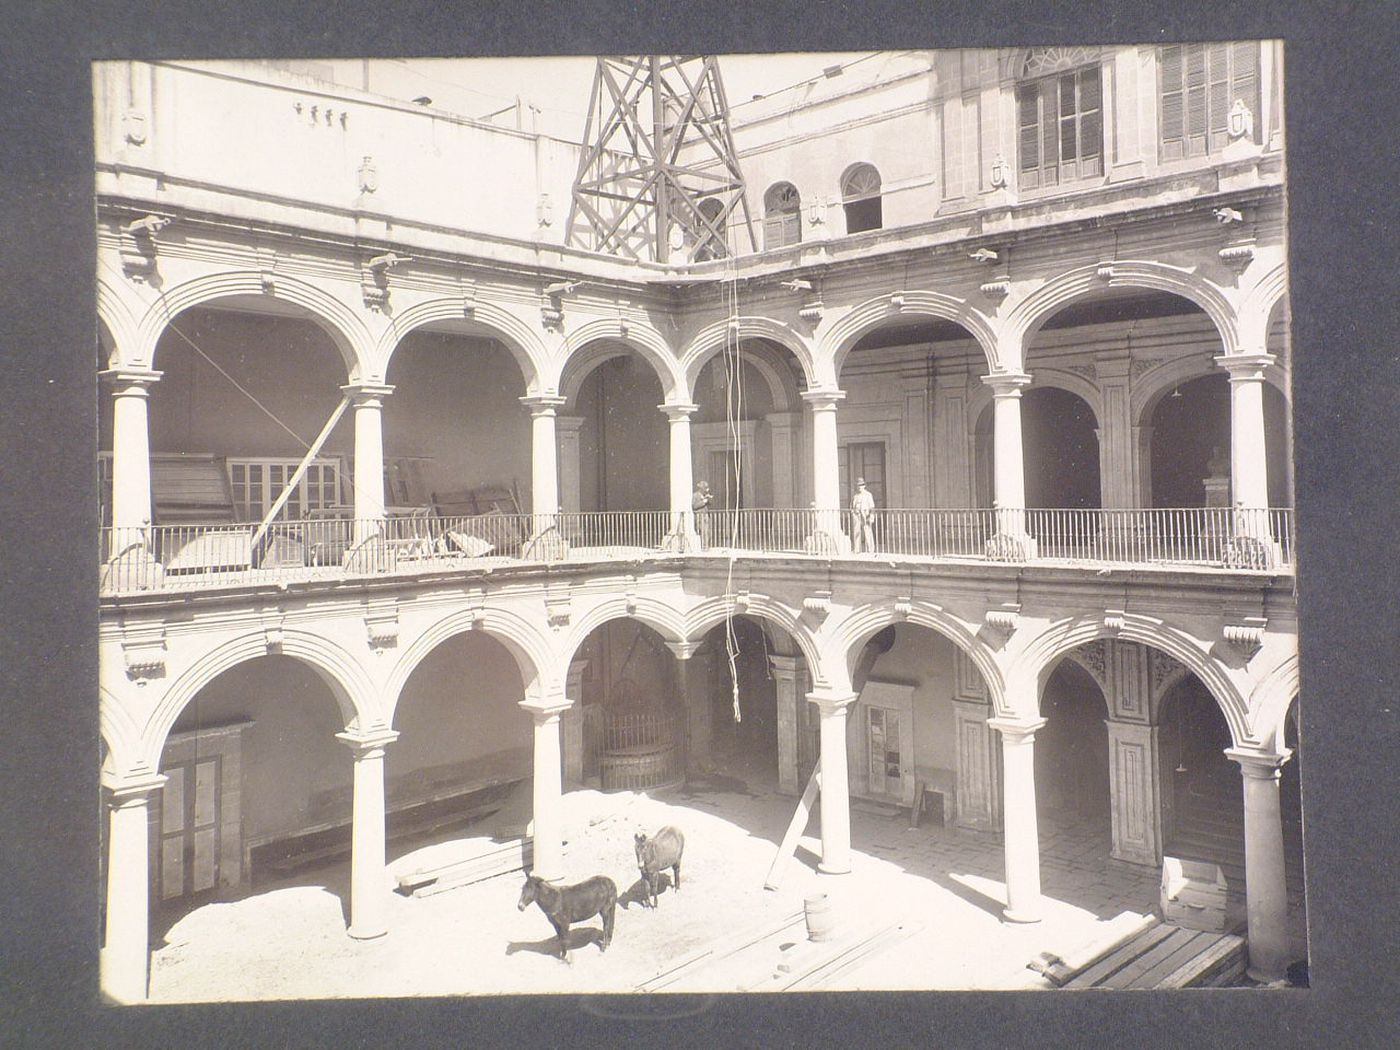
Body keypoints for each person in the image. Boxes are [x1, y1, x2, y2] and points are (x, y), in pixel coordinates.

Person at [851, 476, 876, 553]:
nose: (860, 487)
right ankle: (857, 549)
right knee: (856, 532)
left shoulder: (868, 495)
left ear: (864, 486)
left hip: (865, 515)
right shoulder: (855, 496)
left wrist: (871, 516)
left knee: (867, 531)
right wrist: (853, 513)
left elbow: (872, 506)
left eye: (861, 485)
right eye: (858, 485)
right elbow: (852, 506)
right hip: (857, 515)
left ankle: (870, 549)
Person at [692, 480, 712, 549]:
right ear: (701, 488)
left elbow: (709, 504)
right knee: (702, 531)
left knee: (707, 531)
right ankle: (703, 546)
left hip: (706, 515)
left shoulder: (705, 495)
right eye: (705, 488)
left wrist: (709, 499)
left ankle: (706, 546)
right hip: (699, 515)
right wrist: (703, 501)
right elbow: (694, 506)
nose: (706, 490)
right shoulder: (695, 495)